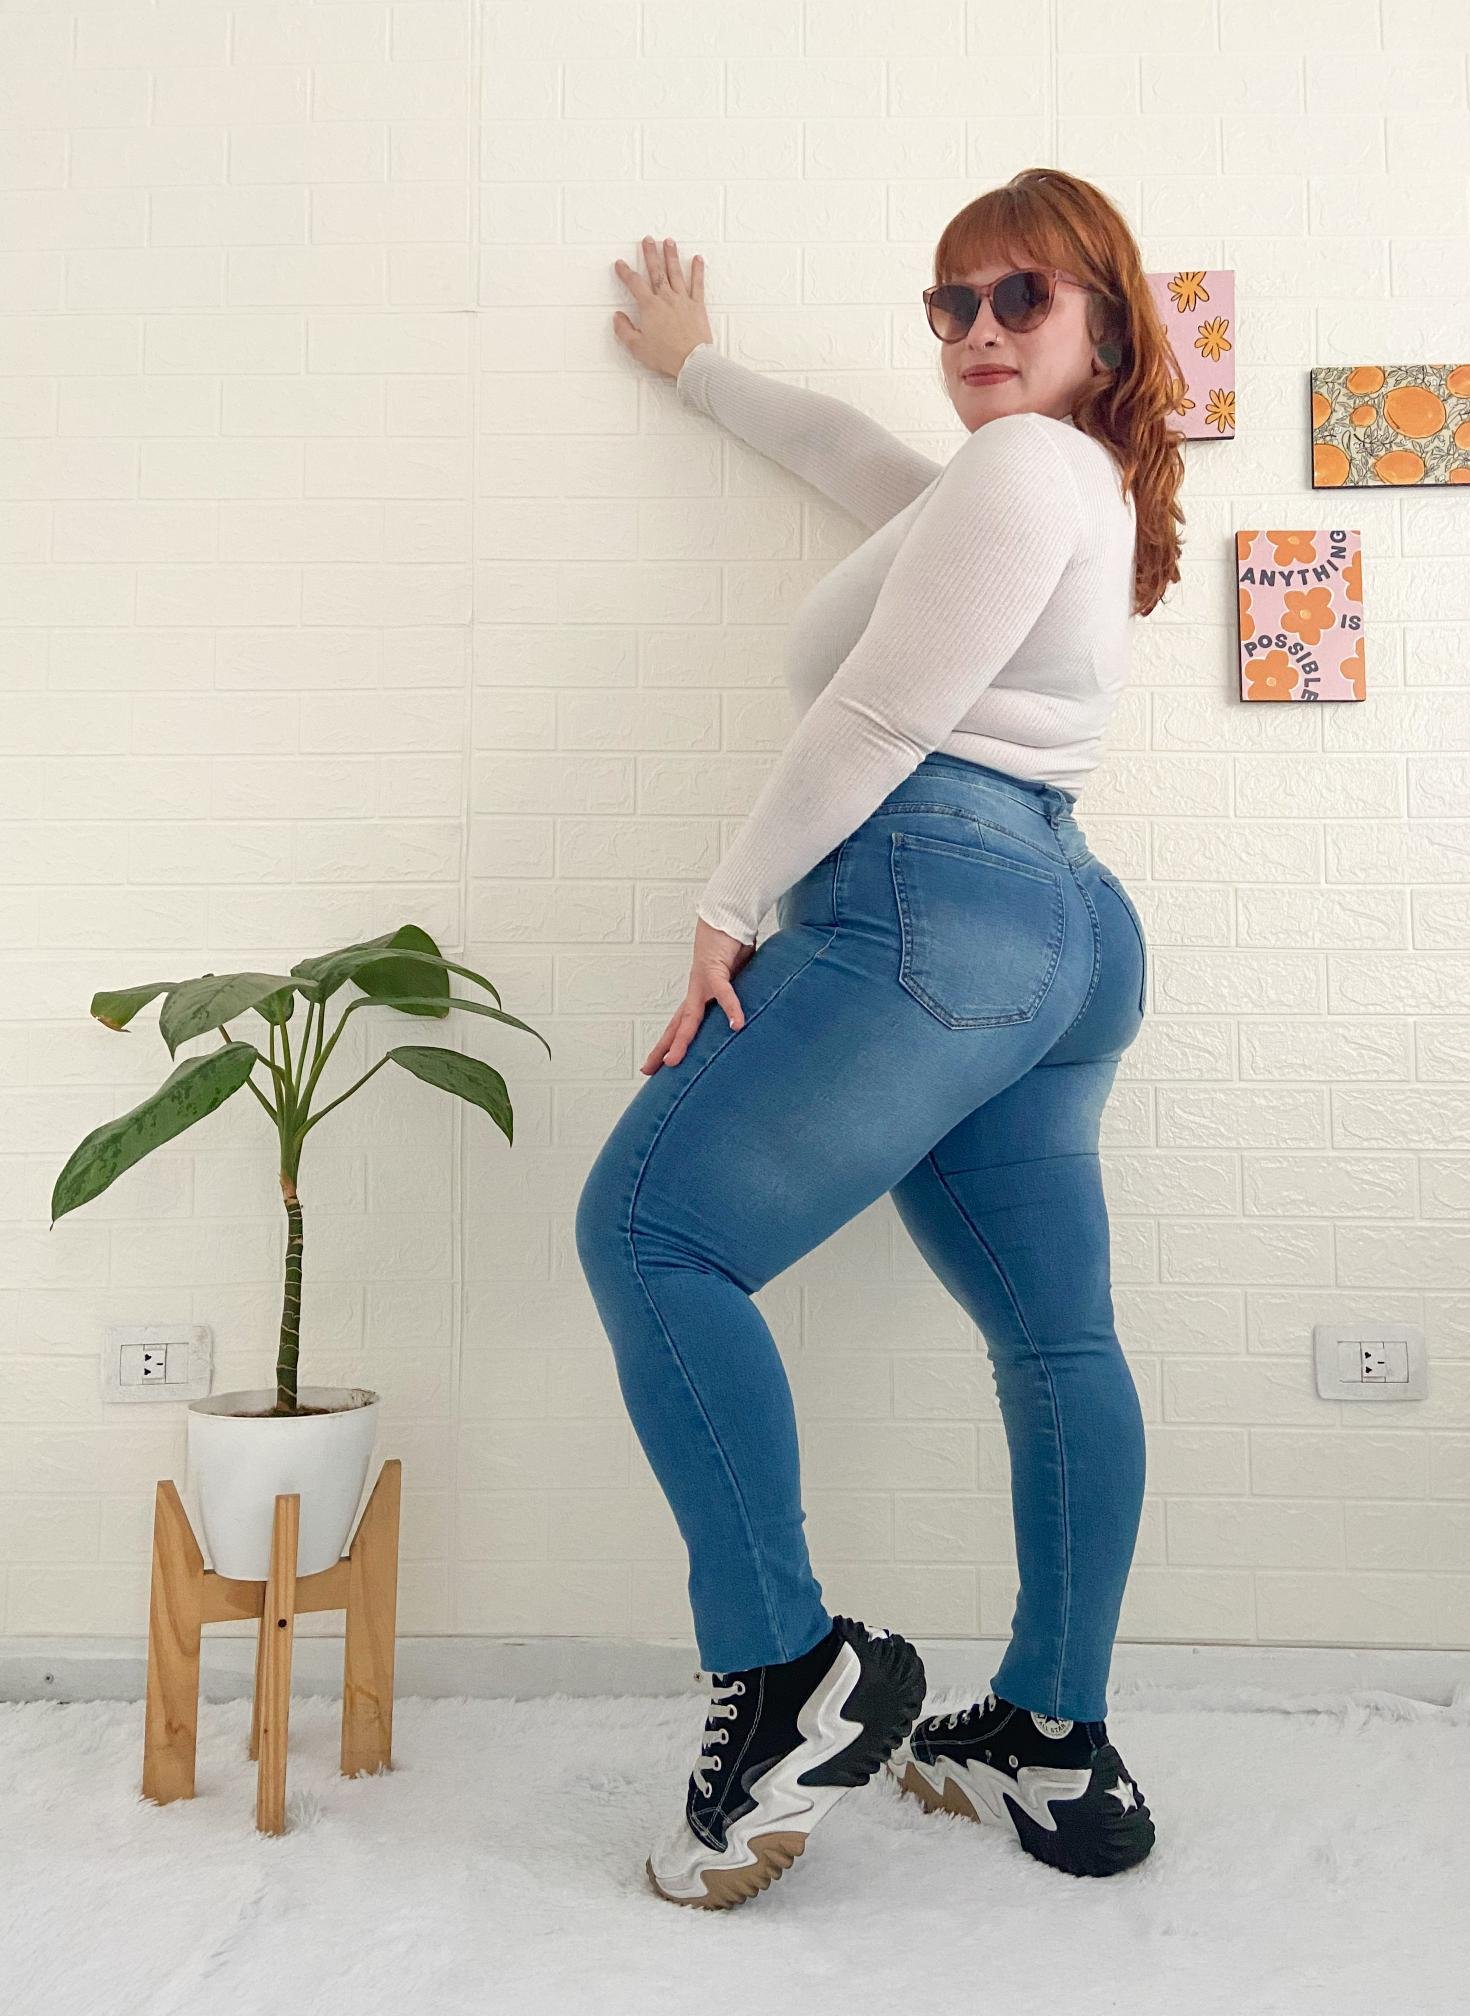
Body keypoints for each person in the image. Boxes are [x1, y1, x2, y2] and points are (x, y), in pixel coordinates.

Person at [576, 168, 1187, 1911]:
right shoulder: (1042, 484)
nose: (979, 329)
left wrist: (727, 904)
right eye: (953, 302)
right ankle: (1053, 1740)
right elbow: (851, 454)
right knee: (1057, 1340)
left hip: (938, 896)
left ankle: (788, 1674)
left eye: (1022, 298)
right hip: (1067, 931)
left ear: (1104, 327)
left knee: (650, 1231)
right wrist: (701, 368)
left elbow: (886, 708)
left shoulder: (1025, 468)